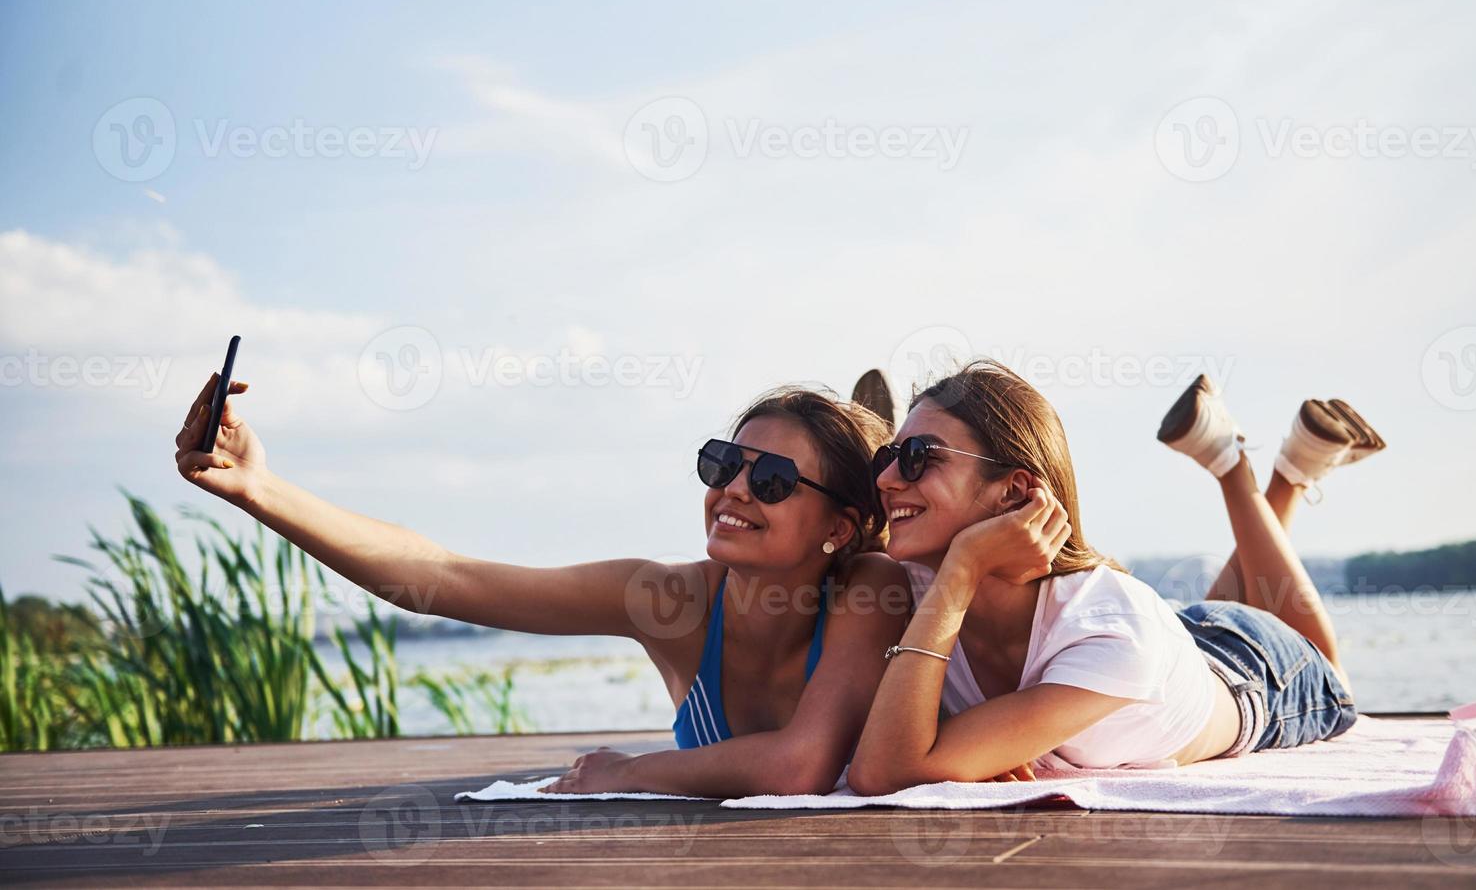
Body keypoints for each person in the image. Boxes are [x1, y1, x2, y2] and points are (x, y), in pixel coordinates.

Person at [173, 374, 908, 796]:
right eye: (723, 464)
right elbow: (445, 577)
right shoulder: (672, 603)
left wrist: (628, 771)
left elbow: (800, 764)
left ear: (840, 529)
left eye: (772, 480)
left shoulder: (869, 589)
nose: (735, 491)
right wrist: (258, 490)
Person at [848, 362, 1374, 794]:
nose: (888, 480)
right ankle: (1281, 467)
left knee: (1336, 678)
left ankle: (1245, 467)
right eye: (888, 456)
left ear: (1013, 492)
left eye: (919, 458)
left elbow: (887, 771)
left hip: (1255, 672)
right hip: (1159, 640)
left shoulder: (1113, 636)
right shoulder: (911, 584)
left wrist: (961, 571)